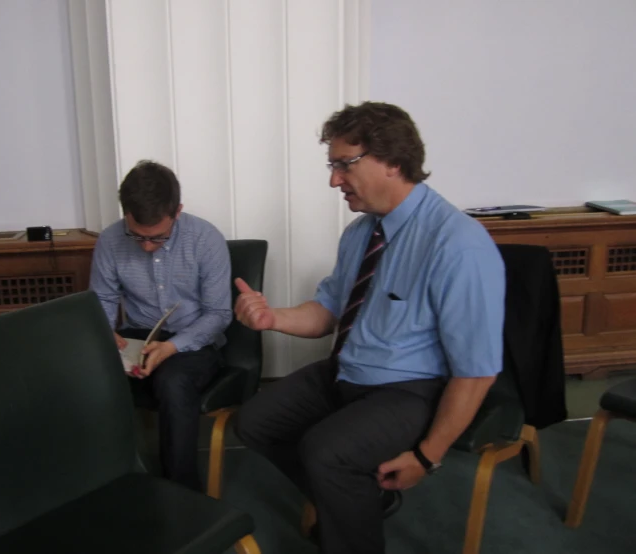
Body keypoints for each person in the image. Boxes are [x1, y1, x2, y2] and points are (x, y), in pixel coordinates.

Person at [233, 102, 505, 554]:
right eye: (332, 165)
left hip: (411, 388)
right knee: (255, 422)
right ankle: (363, 497)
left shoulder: (458, 243)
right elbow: (327, 312)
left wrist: (427, 456)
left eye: (344, 165)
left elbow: (476, 371)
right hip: (348, 370)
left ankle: (349, 511)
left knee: (327, 454)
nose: (333, 180)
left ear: (394, 162)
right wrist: (272, 318)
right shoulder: (361, 233)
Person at [89, 160, 232, 492]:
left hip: (192, 339)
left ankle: (182, 494)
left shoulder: (206, 239)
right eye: (136, 236)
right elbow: (104, 300)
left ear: (177, 211)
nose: (147, 246)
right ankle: (102, 484)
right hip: (136, 334)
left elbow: (218, 314)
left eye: (158, 238)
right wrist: (105, 334)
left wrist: (171, 347)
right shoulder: (110, 241)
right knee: (87, 371)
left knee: (173, 380)